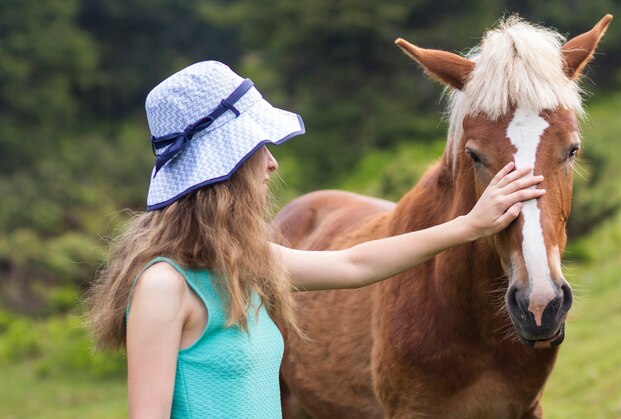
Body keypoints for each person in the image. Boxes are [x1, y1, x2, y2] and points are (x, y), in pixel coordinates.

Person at [86, 61, 545, 418]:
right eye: (257, 148)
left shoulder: (243, 263)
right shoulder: (164, 287)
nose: (272, 164)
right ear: (220, 169)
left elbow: (355, 266)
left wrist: (470, 225)